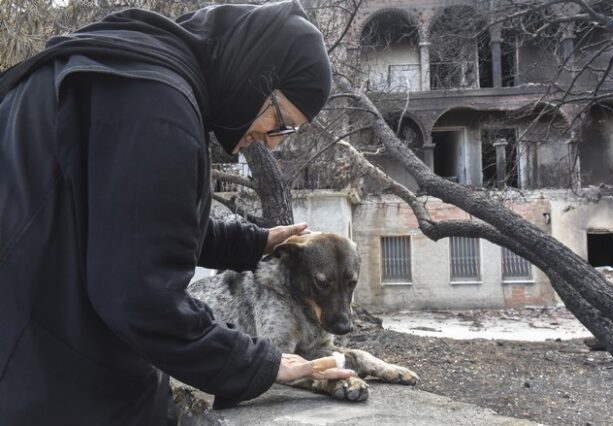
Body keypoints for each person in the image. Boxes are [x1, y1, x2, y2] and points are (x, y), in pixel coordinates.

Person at [0, 1, 353, 424]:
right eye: (280, 121)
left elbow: (131, 223)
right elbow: (142, 299)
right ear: (258, 73)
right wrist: (261, 363)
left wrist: (252, 242)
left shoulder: (131, 70)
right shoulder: (156, 109)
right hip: (46, 372)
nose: (272, 141)